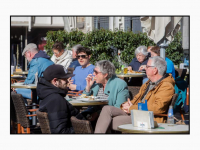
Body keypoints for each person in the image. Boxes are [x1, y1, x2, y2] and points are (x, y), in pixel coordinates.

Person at [94, 56, 175, 133]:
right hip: (136, 112)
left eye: (147, 66)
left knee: (110, 121)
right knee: (107, 109)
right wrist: (126, 105)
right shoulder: (148, 83)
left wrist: (132, 108)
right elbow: (136, 99)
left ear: (155, 70)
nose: (145, 68)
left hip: (149, 118)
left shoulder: (166, 86)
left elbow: (158, 108)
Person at [37, 64, 85, 134]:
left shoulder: (46, 95)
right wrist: (83, 129)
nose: (68, 82)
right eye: (64, 79)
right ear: (55, 81)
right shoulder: (56, 100)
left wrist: (87, 115)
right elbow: (60, 132)